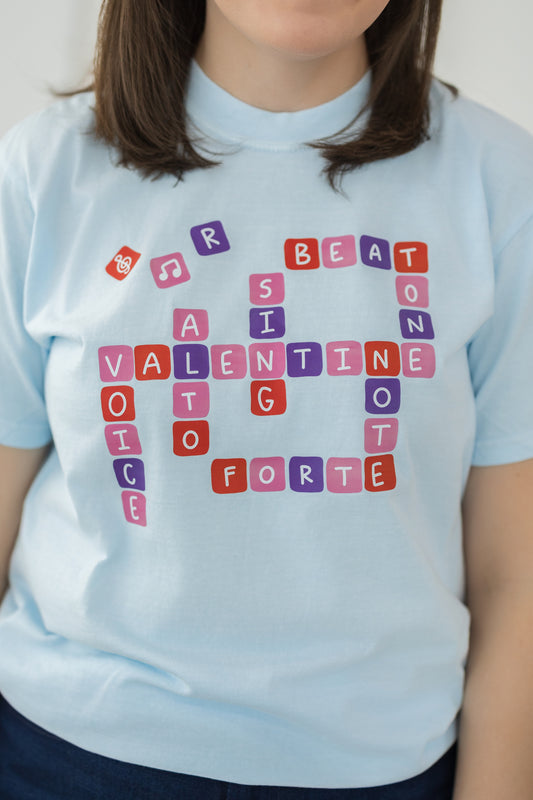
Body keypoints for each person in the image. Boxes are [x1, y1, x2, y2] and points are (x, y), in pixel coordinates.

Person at [1, 1, 532, 797]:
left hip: (383, 769)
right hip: (57, 753)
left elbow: (513, 572)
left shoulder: (497, 179)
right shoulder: (43, 169)